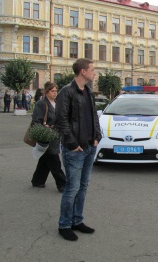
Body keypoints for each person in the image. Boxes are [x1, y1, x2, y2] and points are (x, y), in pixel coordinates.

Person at [55, 58, 101, 241]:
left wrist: (97, 136)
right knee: (72, 188)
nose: (94, 72)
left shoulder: (88, 92)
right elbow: (61, 120)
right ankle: (64, 225)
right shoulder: (66, 92)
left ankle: (77, 220)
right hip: (75, 149)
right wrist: (72, 144)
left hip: (90, 147)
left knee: (83, 186)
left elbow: (94, 117)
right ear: (83, 71)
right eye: (92, 69)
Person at [31, 81, 66, 192]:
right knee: (54, 161)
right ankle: (63, 185)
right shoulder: (41, 104)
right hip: (46, 137)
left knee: (45, 161)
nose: (55, 93)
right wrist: (44, 128)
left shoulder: (56, 103)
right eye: (52, 91)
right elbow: (36, 121)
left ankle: (37, 180)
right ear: (46, 92)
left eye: (56, 91)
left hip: (55, 137)